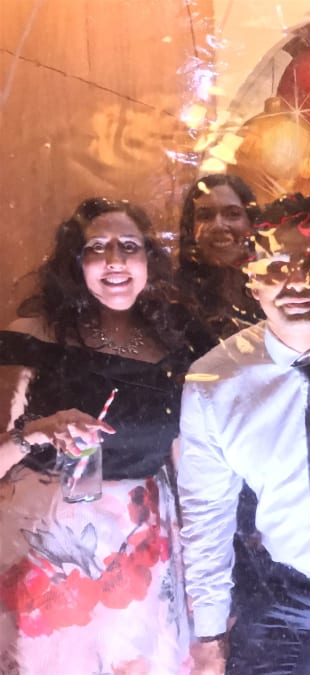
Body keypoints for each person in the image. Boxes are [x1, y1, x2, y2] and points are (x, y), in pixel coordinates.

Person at [0, 198, 197, 673]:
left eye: (129, 246)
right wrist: (37, 431)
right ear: (75, 262)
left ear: (148, 260)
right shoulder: (31, 336)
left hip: (141, 559)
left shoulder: (178, 348)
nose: (114, 260)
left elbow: (187, 469)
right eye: (97, 247)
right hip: (41, 554)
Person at [178, 194, 310, 675]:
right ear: (252, 280)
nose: (297, 281)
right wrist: (209, 633)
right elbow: (207, 515)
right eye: (277, 265)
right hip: (280, 590)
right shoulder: (214, 381)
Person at [176, 173, 263, 339]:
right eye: (205, 216)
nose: (218, 225)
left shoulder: (274, 289)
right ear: (190, 229)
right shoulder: (175, 299)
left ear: (251, 223)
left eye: (233, 214)